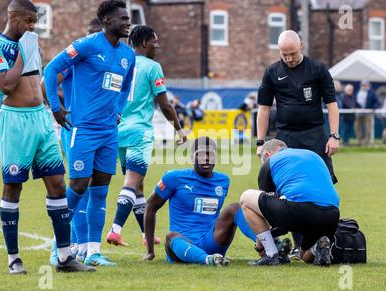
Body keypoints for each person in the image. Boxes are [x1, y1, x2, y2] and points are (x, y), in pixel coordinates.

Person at [0, 0, 93, 274]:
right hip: (16, 122)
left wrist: (53, 107)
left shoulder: (31, 42)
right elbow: (6, 85)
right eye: (28, 21)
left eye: (35, 22)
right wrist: (24, 50)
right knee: (13, 187)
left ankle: (64, 257)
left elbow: (37, 81)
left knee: (57, 185)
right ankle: (14, 259)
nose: (33, 27)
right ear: (13, 16)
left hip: (40, 119)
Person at [44, 0, 135, 267]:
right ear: (107, 21)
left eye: (129, 18)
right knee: (78, 186)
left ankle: (93, 252)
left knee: (100, 191)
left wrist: (118, 109)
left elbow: (126, 86)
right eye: (123, 18)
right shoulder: (86, 46)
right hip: (83, 129)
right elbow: (51, 70)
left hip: (109, 132)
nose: (128, 23)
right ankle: (58, 246)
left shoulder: (127, 55)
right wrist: (56, 107)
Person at [255, 30, 339, 258]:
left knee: (322, 185)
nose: (289, 58)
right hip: (285, 139)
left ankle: (322, 242)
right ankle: (298, 245)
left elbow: (332, 104)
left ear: (301, 45)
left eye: (292, 53)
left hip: (314, 136)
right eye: (284, 55)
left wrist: (333, 135)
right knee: (285, 192)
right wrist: (261, 142)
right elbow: (263, 109)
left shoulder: (318, 69)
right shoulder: (272, 72)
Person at [106, 25, 186, 247]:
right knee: (131, 183)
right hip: (139, 132)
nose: (158, 46)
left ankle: (146, 235)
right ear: (144, 43)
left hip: (118, 131)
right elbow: (165, 104)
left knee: (137, 185)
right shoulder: (153, 67)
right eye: (155, 42)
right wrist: (179, 128)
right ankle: (115, 230)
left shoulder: (121, 63)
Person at [143, 137, 264, 266]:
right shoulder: (173, 178)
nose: (206, 158)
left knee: (234, 208)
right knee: (170, 237)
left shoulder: (223, 181)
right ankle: (207, 260)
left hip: (211, 243)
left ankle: (266, 245)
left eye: (210, 154)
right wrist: (150, 250)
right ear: (191, 157)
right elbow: (150, 206)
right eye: (200, 154)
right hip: (181, 247)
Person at [41, 18, 103, 265]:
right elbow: (45, 83)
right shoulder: (77, 58)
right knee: (81, 186)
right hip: (76, 128)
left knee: (95, 187)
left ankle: (86, 248)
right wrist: (60, 108)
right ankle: (63, 245)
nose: (94, 39)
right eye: (90, 35)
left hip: (100, 129)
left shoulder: (107, 60)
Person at [240, 139, 340, 266]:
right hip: (331, 215)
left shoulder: (270, 162)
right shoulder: (313, 155)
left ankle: (271, 255)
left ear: (268, 155)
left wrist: (260, 247)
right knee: (305, 256)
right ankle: (318, 247)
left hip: (299, 210)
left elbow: (265, 214)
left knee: (246, 198)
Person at [355, 80, 379, 146]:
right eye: (363, 85)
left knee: (368, 127)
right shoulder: (358, 92)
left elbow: (376, 102)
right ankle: (359, 141)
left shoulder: (372, 92)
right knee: (357, 126)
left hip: (368, 112)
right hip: (359, 112)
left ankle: (366, 142)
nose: (364, 86)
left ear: (368, 85)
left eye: (365, 85)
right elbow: (355, 101)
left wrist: (373, 108)